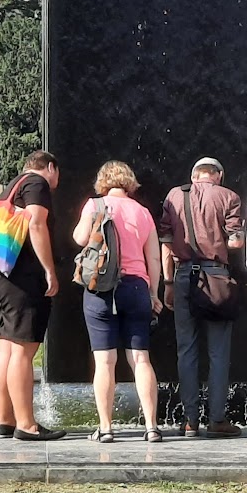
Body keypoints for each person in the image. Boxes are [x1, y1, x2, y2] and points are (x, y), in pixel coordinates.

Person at [73, 161, 164, 444]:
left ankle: (106, 427)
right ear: (129, 182)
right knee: (140, 358)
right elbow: (154, 258)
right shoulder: (142, 212)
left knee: (104, 361)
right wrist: (154, 293)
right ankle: (151, 426)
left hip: (101, 288)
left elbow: (79, 239)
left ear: (103, 181)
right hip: (136, 287)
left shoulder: (94, 205)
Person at [0, 151, 68, 442]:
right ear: (51, 167)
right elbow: (36, 223)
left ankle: (4, 420)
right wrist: (49, 270)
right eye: (58, 173)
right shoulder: (37, 183)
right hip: (22, 279)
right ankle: (27, 424)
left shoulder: (14, 184)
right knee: (23, 351)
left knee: (5, 348)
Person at [158, 157, 245, 438]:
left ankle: (189, 421)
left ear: (194, 176)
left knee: (187, 350)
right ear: (217, 175)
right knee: (218, 352)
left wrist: (168, 282)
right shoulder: (229, 196)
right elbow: (235, 242)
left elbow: (166, 242)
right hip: (216, 277)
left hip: (182, 276)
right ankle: (217, 419)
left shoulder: (174, 195)